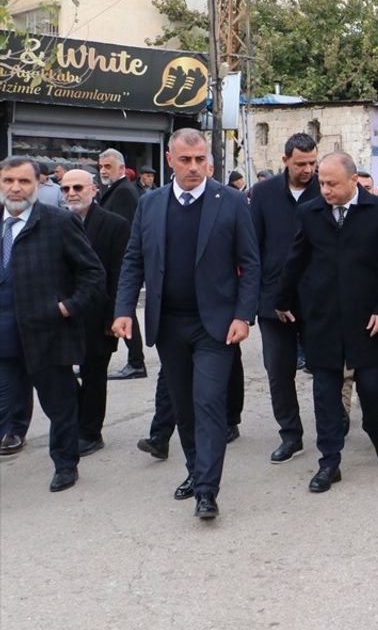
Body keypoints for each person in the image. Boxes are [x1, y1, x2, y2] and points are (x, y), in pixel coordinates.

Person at [112, 128, 260, 520]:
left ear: (207, 160)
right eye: (185, 160)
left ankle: (207, 491)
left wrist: (244, 315)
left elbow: (251, 262)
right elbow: (133, 260)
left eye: (200, 160)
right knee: (184, 408)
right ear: (170, 161)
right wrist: (124, 309)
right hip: (169, 324)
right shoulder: (151, 204)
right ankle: (195, 472)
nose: (194, 167)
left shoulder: (229, 201)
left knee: (208, 402)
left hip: (216, 325)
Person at [277, 152, 378, 493]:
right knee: (325, 393)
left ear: (352, 182)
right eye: (322, 183)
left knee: (373, 388)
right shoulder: (310, 212)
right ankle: (329, 461)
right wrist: (281, 300)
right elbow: (297, 258)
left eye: (332, 184)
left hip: (369, 319)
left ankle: (376, 432)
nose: (325, 189)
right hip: (324, 319)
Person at [0, 157, 106, 490]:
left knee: (59, 405)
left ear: (38, 185)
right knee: (6, 402)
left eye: (24, 182)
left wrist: (66, 307)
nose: (15, 188)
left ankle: (65, 464)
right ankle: (13, 433)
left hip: (46, 332)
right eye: (8, 181)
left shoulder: (58, 222)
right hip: (4, 333)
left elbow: (93, 273)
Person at [249, 132, 320, 464]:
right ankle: (290, 434)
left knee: (325, 366)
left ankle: (332, 425)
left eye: (312, 163)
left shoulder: (326, 189)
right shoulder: (263, 195)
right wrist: (264, 299)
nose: (307, 170)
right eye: (300, 163)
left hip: (318, 300)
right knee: (279, 370)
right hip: (274, 302)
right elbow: (253, 250)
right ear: (285, 161)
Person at [59, 169, 130, 456]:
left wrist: (114, 315)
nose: (71, 193)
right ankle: (75, 421)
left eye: (77, 187)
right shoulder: (55, 222)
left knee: (94, 374)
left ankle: (90, 432)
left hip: (99, 313)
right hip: (64, 313)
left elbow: (119, 273)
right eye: (65, 189)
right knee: (57, 372)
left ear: (93, 190)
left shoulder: (115, 225)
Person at [99, 148, 146, 381]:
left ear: (120, 168)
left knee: (124, 310)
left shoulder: (124, 192)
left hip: (120, 264)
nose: (103, 171)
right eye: (101, 167)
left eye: (108, 166)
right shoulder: (114, 190)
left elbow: (125, 232)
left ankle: (136, 362)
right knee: (119, 310)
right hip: (112, 264)